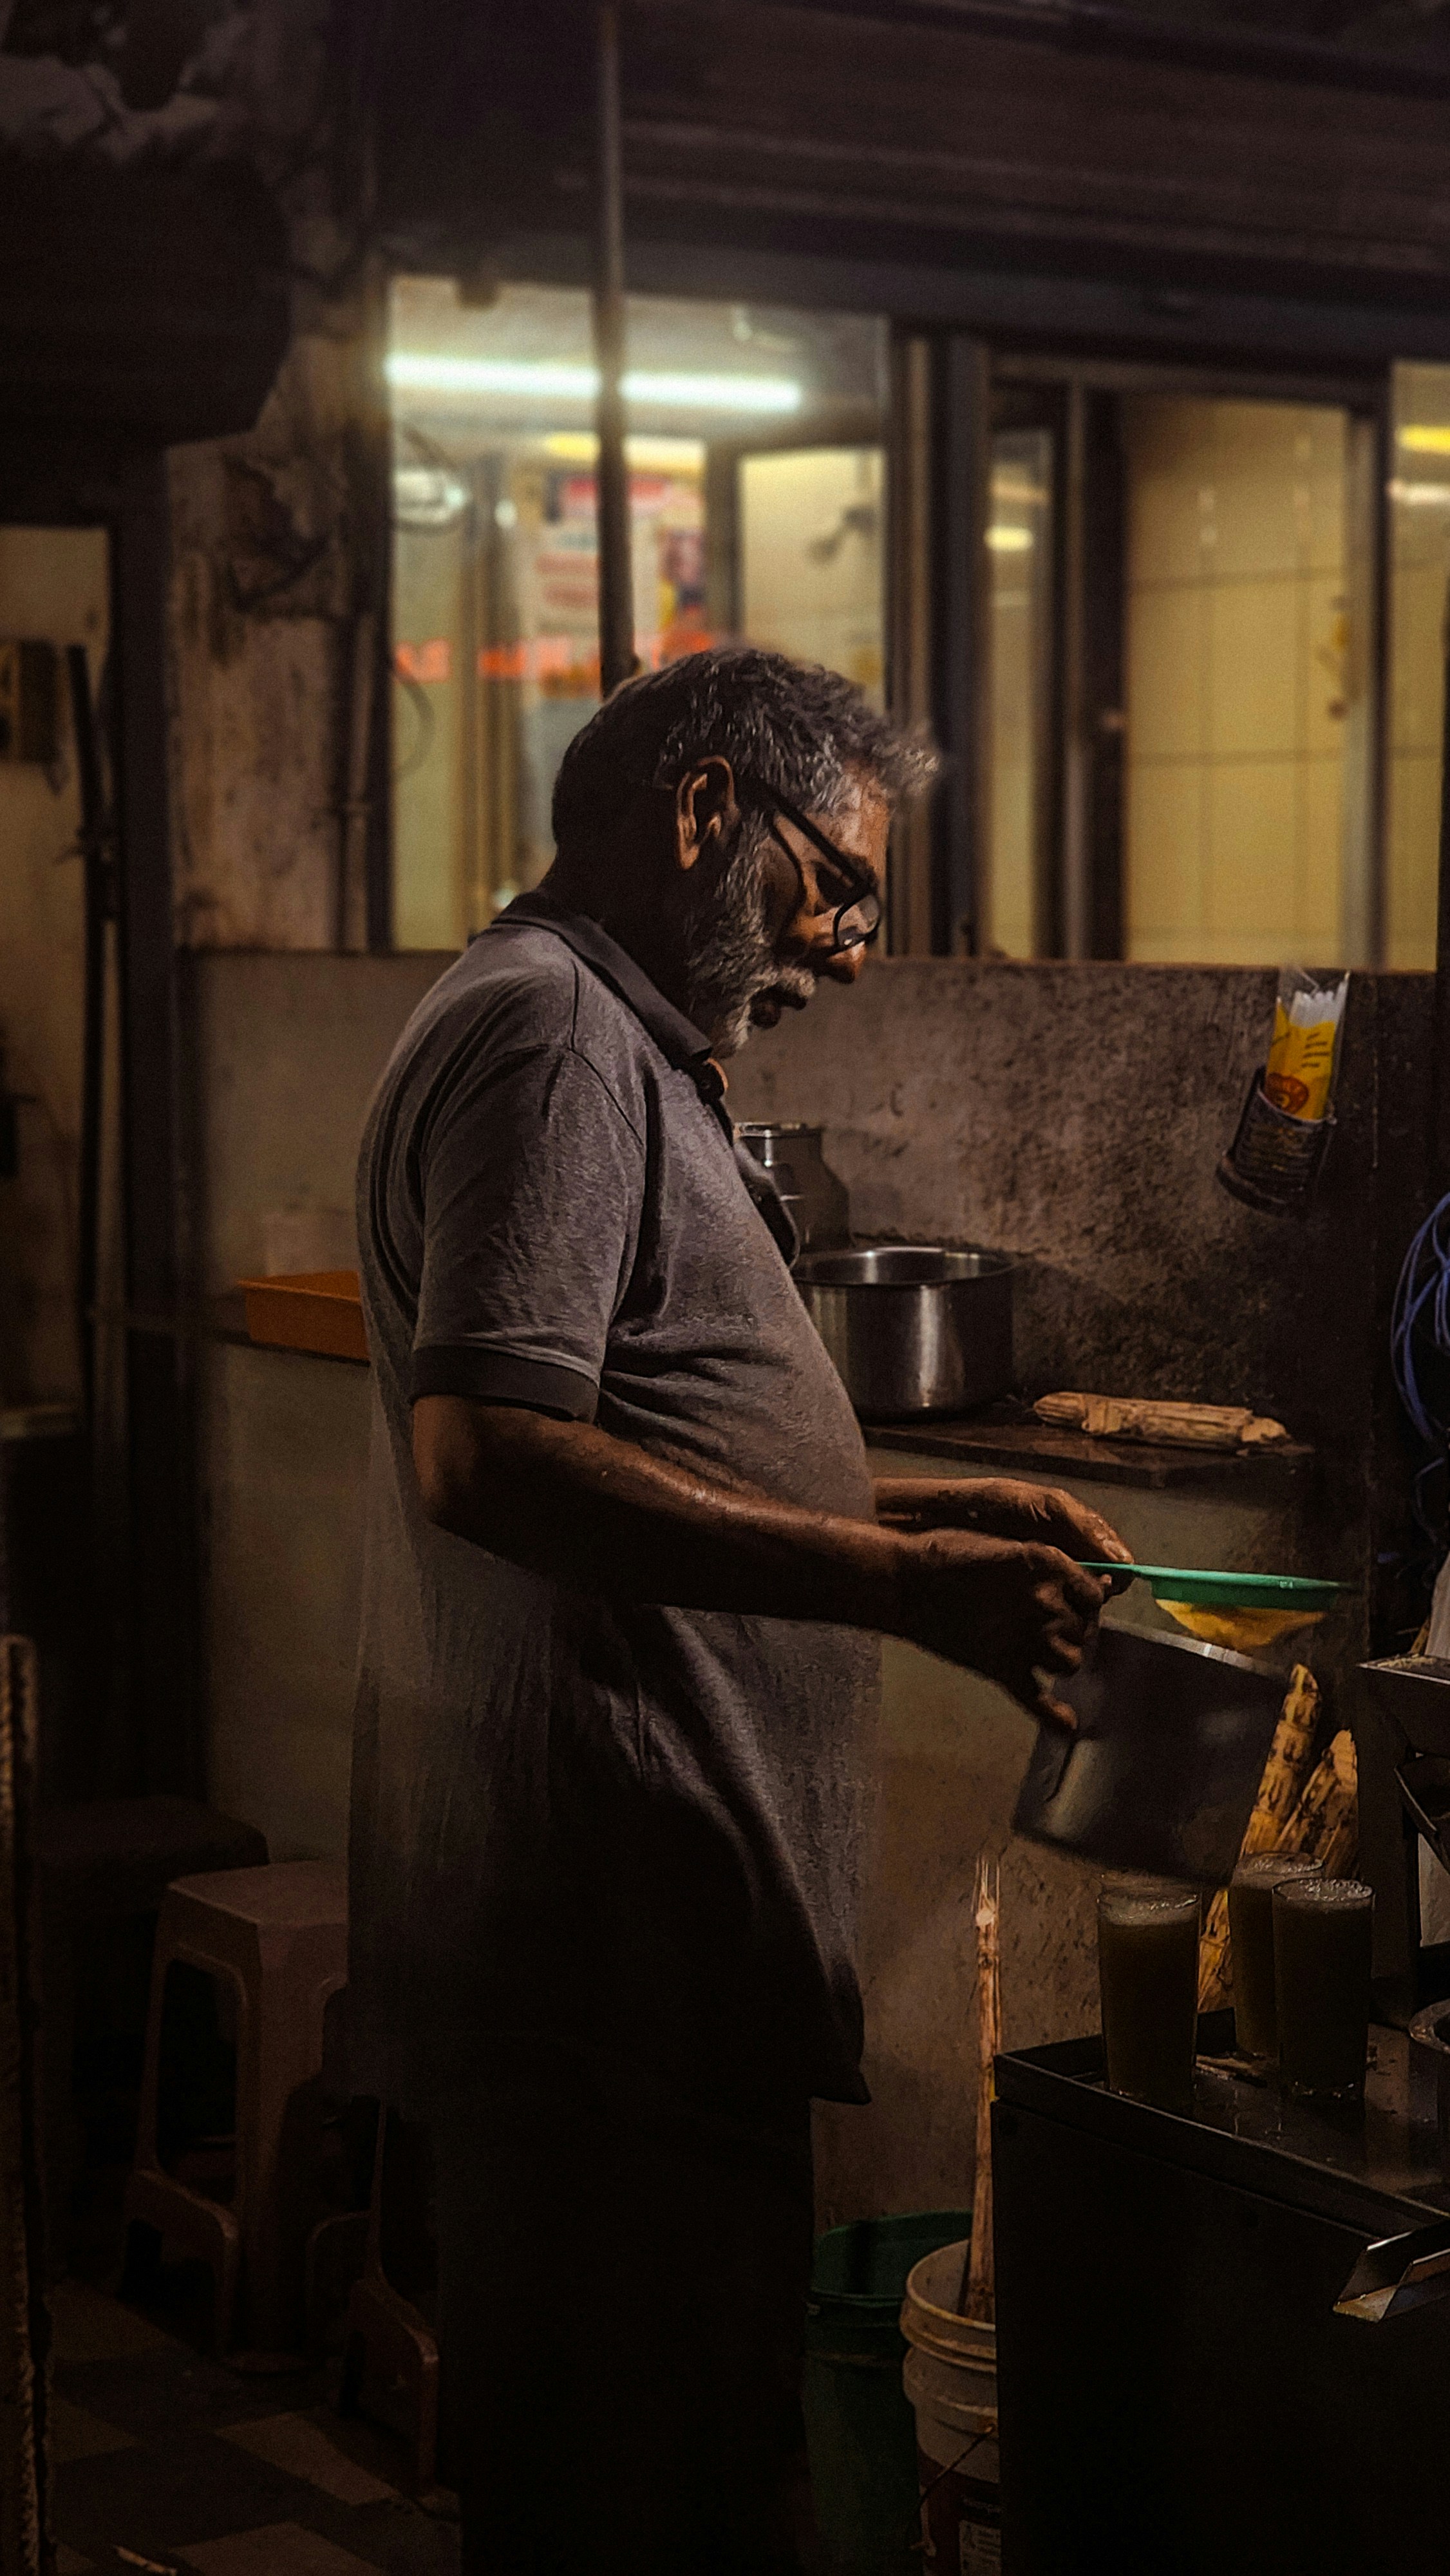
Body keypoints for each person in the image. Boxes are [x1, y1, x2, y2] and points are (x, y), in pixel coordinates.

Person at [350, 645, 1129, 2573]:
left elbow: (651, 1425)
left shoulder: (606, 1040)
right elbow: (493, 1453)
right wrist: (897, 1581)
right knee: (648, 2501)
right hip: (604, 1949)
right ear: (705, 813)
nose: (853, 945)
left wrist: (926, 1496)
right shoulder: (552, 1039)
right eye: (836, 884)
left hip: (650, 1943)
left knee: (681, 2467)